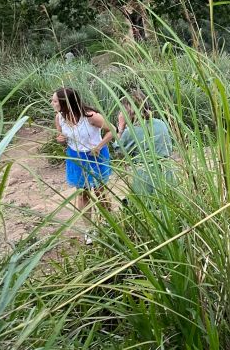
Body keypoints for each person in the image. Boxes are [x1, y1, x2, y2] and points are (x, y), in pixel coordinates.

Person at [52, 87, 115, 243]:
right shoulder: (59, 118)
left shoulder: (90, 117)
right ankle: (90, 229)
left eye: (54, 101)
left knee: (100, 192)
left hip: (95, 156)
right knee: (83, 193)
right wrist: (60, 140)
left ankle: (110, 223)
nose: (52, 103)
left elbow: (111, 130)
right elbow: (62, 137)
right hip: (76, 157)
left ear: (65, 103)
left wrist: (99, 146)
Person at [115, 90, 175, 198]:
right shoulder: (161, 123)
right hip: (167, 173)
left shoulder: (130, 132)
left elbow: (119, 152)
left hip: (145, 178)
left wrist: (121, 127)